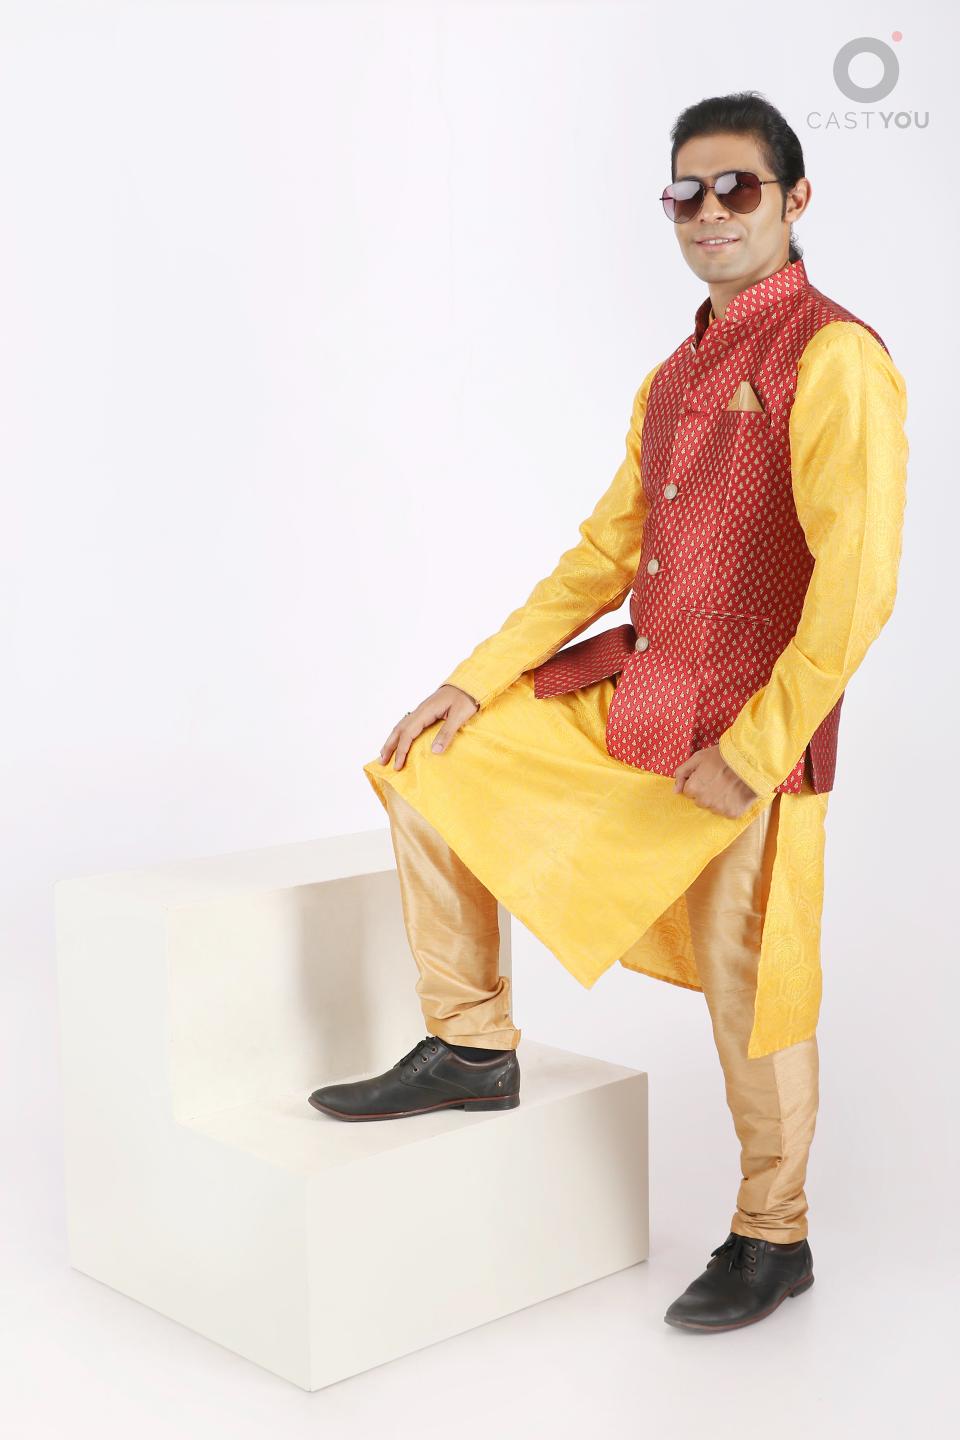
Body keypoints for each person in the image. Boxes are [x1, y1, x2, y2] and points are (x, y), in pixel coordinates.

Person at [309, 91, 909, 1333]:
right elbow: (602, 557)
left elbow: (857, 590)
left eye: (738, 187)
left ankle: (774, 1235)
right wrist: (473, 679)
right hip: (641, 699)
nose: (710, 212)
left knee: (755, 986)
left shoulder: (836, 358)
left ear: (796, 200)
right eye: (687, 192)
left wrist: (753, 750)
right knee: (434, 767)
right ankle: (473, 1046)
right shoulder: (672, 375)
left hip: (751, 733)